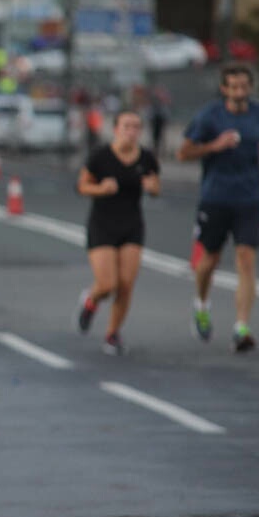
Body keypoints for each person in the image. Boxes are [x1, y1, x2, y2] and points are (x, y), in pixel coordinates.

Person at [177, 65, 259, 353]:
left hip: (249, 197)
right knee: (209, 259)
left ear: (250, 87)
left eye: (244, 86)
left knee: (246, 259)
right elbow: (183, 152)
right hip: (215, 196)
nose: (239, 92)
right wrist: (214, 146)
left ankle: (241, 327)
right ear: (224, 89)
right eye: (233, 87)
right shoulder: (210, 116)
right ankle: (201, 304)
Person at [75, 110, 160, 355]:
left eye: (136, 126)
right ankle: (91, 301)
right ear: (115, 129)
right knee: (107, 284)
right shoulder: (101, 156)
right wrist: (101, 188)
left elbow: (155, 186)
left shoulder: (146, 158)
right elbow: (81, 185)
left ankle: (112, 334)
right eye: (126, 126)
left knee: (125, 284)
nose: (131, 131)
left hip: (132, 224)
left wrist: (152, 187)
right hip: (102, 224)